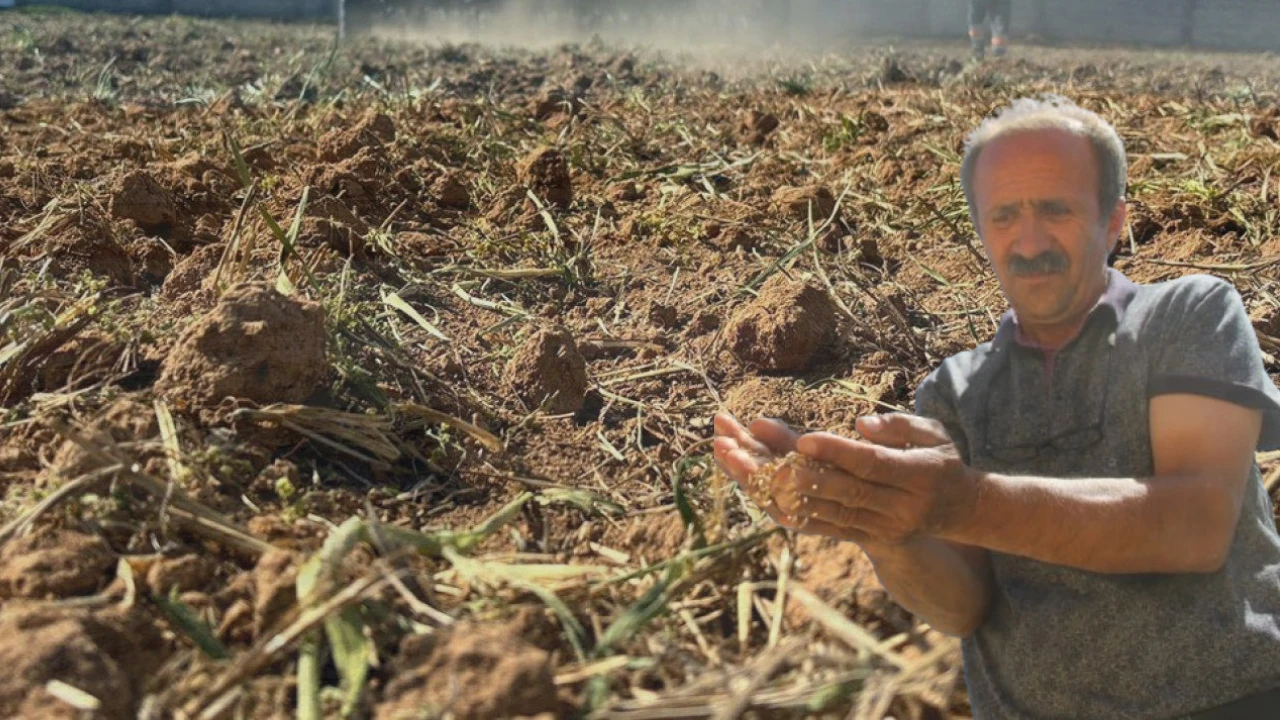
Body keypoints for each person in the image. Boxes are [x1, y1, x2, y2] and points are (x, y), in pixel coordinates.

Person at [712, 95, 1280, 719]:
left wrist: (966, 502)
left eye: (1056, 209)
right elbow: (961, 607)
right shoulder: (956, 392)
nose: (1029, 240)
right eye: (1004, 215)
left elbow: (1196, 527)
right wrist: (882, 524)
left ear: (1113, 220)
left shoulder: (1188, 316)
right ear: (981, 230)